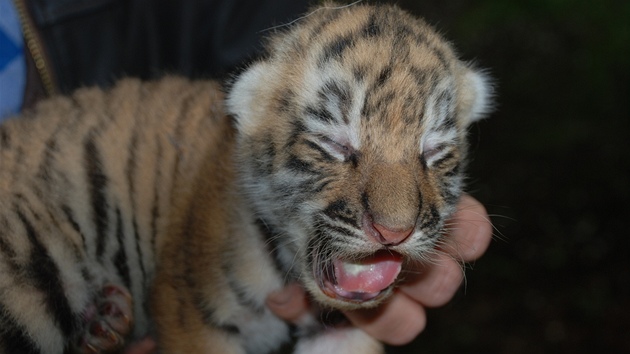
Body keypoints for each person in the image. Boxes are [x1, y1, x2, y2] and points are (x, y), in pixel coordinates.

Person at [1, 1, 493, 352]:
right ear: (250, 113)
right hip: (30, 209)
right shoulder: (230, 219)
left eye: (435, 152)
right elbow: (194, 322)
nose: (397, 214)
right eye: (335, 145)